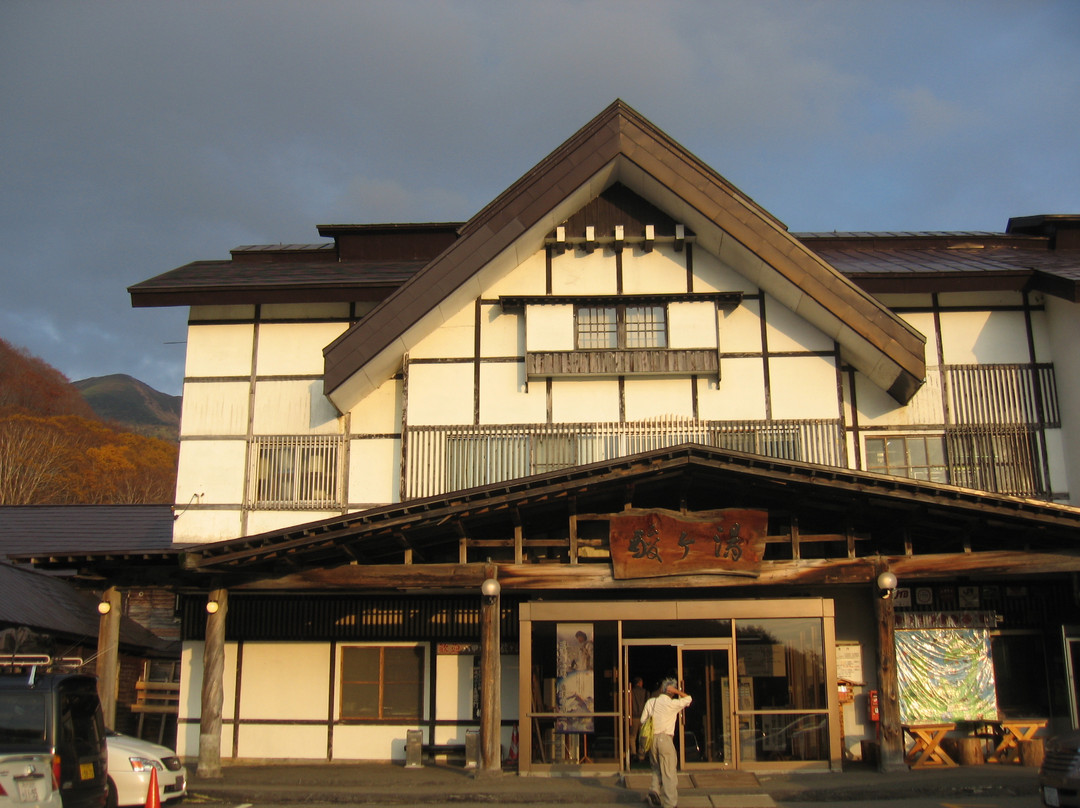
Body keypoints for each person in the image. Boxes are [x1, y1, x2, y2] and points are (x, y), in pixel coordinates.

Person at [640, 677, 692, 808]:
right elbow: (689, 698)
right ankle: (670, 803)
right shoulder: (672, 704)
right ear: (672, 691)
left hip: (652, 739)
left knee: (656, 767)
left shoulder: (651, 702)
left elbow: (642, 720)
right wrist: (678, 692)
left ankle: (654, 790)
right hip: (665, 739)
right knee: (669, 771)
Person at [628, 676, 648, 761]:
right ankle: (642, 755)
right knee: (642, 736)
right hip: (643, 717)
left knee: (632, 736)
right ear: (639, 683)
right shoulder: (645, 692)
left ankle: (633, 753)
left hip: (634, 717)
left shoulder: (631, 692)